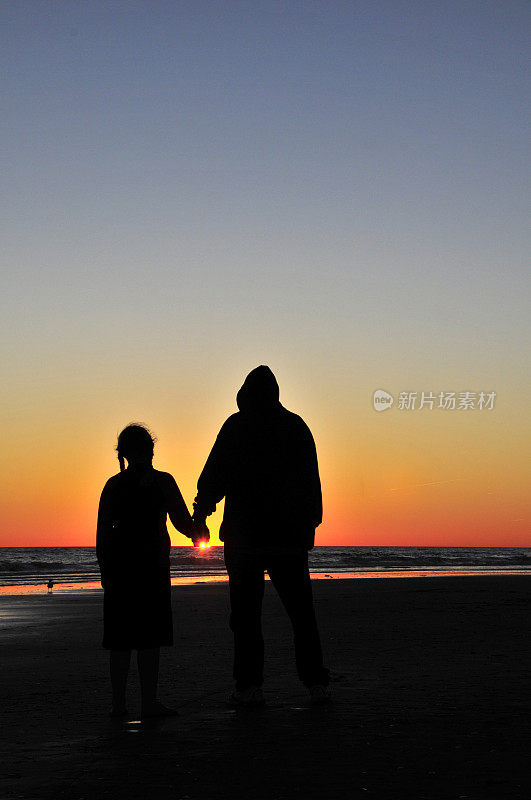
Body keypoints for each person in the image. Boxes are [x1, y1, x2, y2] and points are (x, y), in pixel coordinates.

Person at [193, 366, 330, 706]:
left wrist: (201, 513)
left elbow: (213, 478)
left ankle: (249, 688)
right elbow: (311, 483)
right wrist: (311, 524)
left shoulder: (236, 426)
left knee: (246, 618)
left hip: (246, 541)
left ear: (245, 396)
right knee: (301, 616)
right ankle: (315, 684)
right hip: (288, 539)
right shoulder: (296, 427)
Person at [96, 423, 200, 718]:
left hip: (119, 569)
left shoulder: (113, 485)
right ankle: (148, 703)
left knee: (120, 641)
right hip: (151, 568)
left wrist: (104, 566)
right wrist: (198, 531)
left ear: (124, 453)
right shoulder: (162, 481)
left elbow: (102, 531)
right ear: (150, 450)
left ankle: (119, 706)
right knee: (149, 639)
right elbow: (181, 521)